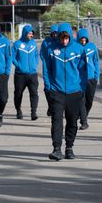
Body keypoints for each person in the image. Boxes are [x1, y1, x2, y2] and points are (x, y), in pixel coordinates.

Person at [41, 22, 88, 161]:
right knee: (56, 121)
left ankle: (69, 147)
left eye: (67, 38)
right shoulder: (51, 49)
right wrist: (49, 87)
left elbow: (83, 70)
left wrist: (82, 87)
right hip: (57, 91)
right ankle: (56, 149)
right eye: (62, 38)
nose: (65, 41)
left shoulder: (79, 49)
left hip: (74, 92)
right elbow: (47, 69)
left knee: (72, 121)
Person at [12, 24, 40, 120]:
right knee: (18, 93)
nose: (31, 35)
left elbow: (36, 55)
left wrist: (35, 64)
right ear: (25, 33)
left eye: (32, 33)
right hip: (20, 74)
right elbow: (12, 57)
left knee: (34, 93)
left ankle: (33, 112)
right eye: (29, 33)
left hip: (32, 74)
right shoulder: (17, 44)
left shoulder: (33, 43)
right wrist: (19, 66)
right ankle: (18, 110)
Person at [76, 28, 100, 129]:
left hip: (91, 78)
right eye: (81, 39)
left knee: (89, 101)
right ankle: (84, 121)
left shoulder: (92, 47)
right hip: (79, 79)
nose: (83, 41)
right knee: (82, 99)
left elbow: (96, 62)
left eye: (85, 39)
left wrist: (96, 75)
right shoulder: (75, 47)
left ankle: (82, 115)